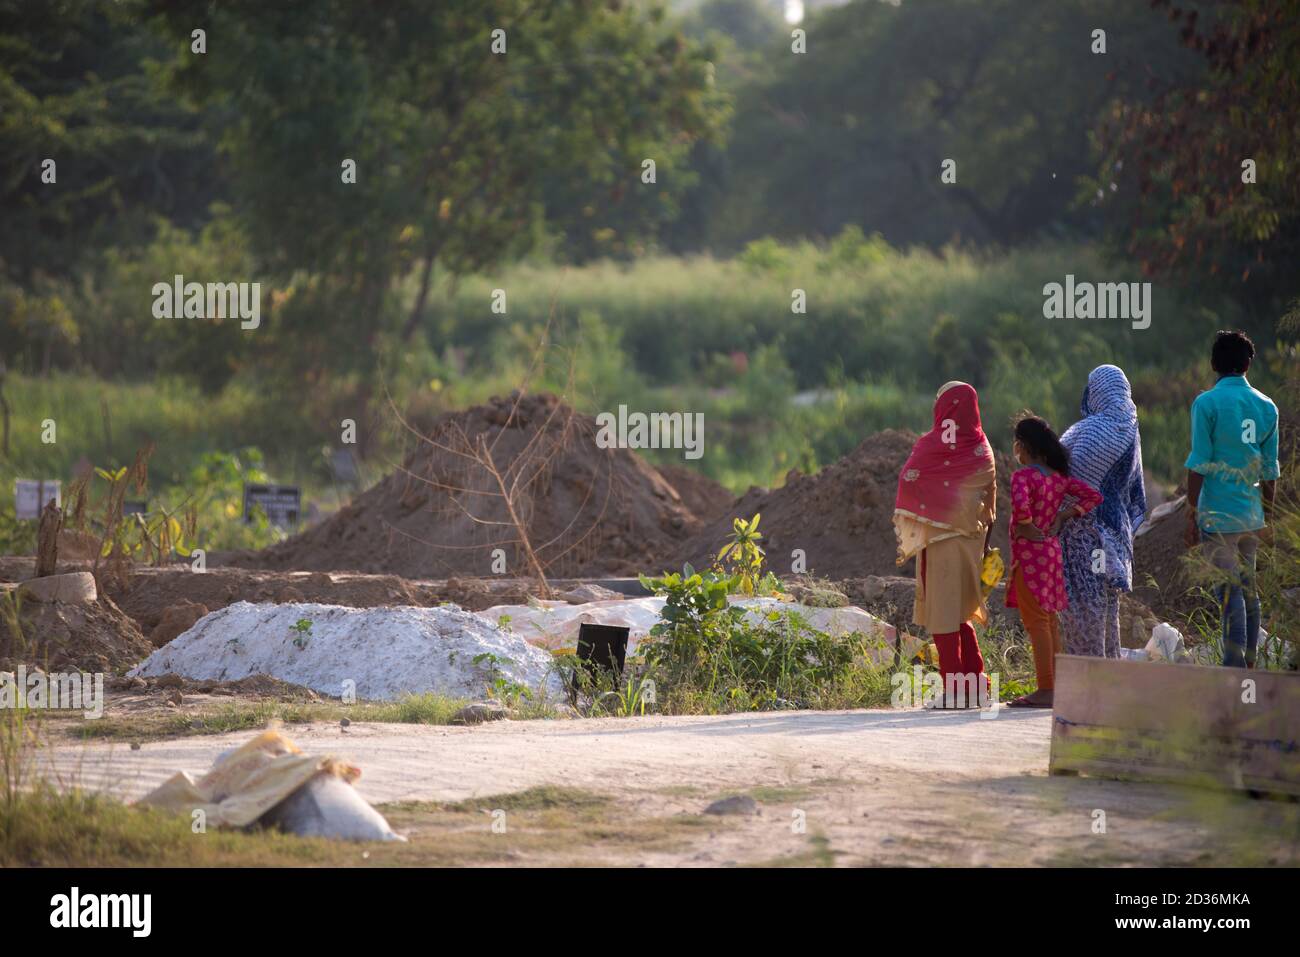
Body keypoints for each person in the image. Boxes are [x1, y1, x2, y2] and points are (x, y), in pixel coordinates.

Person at [894, 381, 997, 708]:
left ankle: (954, 691)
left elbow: (908, 478)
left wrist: (932, 511)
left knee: (943, 615)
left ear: (943, 408)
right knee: (961, 612)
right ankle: (976, 684)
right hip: (971, 542)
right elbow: (989, 502)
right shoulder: (983, 448)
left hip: (941, 543)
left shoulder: (930, 445)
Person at [1183, 330, 1280, 668]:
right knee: (1248, 590)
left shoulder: (1206, 403)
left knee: (1230, 592)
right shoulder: (1267, 407)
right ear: (1248, 363)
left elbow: (1199, 462)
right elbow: (1270, 471)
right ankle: (1249, 664)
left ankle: (1233, 667)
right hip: (1251, 516)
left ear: (1213, 364)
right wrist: (1267, 515)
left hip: (1217, 515)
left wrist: (1190, 513)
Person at [1004, 415, 1102, 707]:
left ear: (1021, 446)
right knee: (1048, 621)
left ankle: (1046, 688)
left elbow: (1021, 509)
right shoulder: (1059, 479)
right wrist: (1062, 516)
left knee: (1036, 622)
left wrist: (1024, 525)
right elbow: (1093, 496)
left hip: (1030, 556)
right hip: (1051, 554)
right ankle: (1056, 685)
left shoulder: (1023, 477)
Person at [1058, 365, 1147, 658]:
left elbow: (1061, 476)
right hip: (1114, 534)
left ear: (1094, 391)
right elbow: (1132, 490)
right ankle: (1109, 671)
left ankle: (1088, 672)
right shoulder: (1131, 429)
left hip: (1084, 531)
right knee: (1109, 603)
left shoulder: (1087, 430)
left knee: (1085, 601)